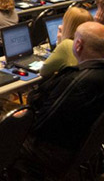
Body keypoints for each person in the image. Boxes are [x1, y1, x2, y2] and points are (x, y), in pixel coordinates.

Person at [22, 22, 104, 171]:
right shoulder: (93, 76)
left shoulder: (77, 81)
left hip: (53, 150)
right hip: (84, 148)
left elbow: (42, 124)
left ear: (78, 45)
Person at [40, 7, 93, 78]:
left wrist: (59, 44)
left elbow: (43, 71)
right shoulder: (91, 43)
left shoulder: (67, 44)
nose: (60, 25)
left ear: (68, 26)